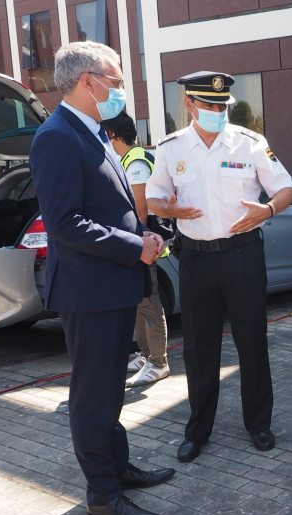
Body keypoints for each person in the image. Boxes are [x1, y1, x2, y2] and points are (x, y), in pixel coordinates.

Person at [28, 41, 173, 515]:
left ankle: (118, 469)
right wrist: (134, 248)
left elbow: (110, 209)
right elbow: (65, 222)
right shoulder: (58, 137)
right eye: (115, 79)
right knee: (93, 396)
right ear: (88, 80)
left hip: (111, 289)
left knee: (110, 391)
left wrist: (144, 235)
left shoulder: (90, 131)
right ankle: (103, 498)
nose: (120, 89)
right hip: (89, 294)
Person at [145, 71, 292, 463]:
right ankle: (198, 431)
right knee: (199, 349)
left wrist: (266, 209)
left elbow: (286, 189)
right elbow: (154, 198)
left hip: (242, 255)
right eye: (210, 105)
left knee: (252, 342)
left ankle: (259, 424)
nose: (218, 111)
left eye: (223, 106)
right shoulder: (171, 148)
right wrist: (168, 209)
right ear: (190, 105)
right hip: (195, 258)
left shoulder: (250, 143)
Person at [102, 112, 171, 387]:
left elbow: (140, 211)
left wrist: (134, 246)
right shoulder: (127, 160)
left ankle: (158, 362)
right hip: (136, 244)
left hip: (142, 244)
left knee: (149, 302)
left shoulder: (136, 163)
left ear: (111, 135)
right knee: (140, 301)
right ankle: (145, 356)